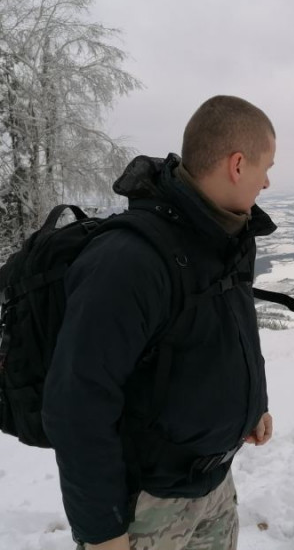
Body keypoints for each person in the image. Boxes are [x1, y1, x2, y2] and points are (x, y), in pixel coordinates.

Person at [42, 95, 278, 550]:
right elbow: (76, 403)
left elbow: (233, 326)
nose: (267, 182)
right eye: (266, 166)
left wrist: (254, 404)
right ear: (237, 164)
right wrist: (102, 532)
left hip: (213, 483)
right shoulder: (129, 261)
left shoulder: (228, 234)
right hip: (144, 507)